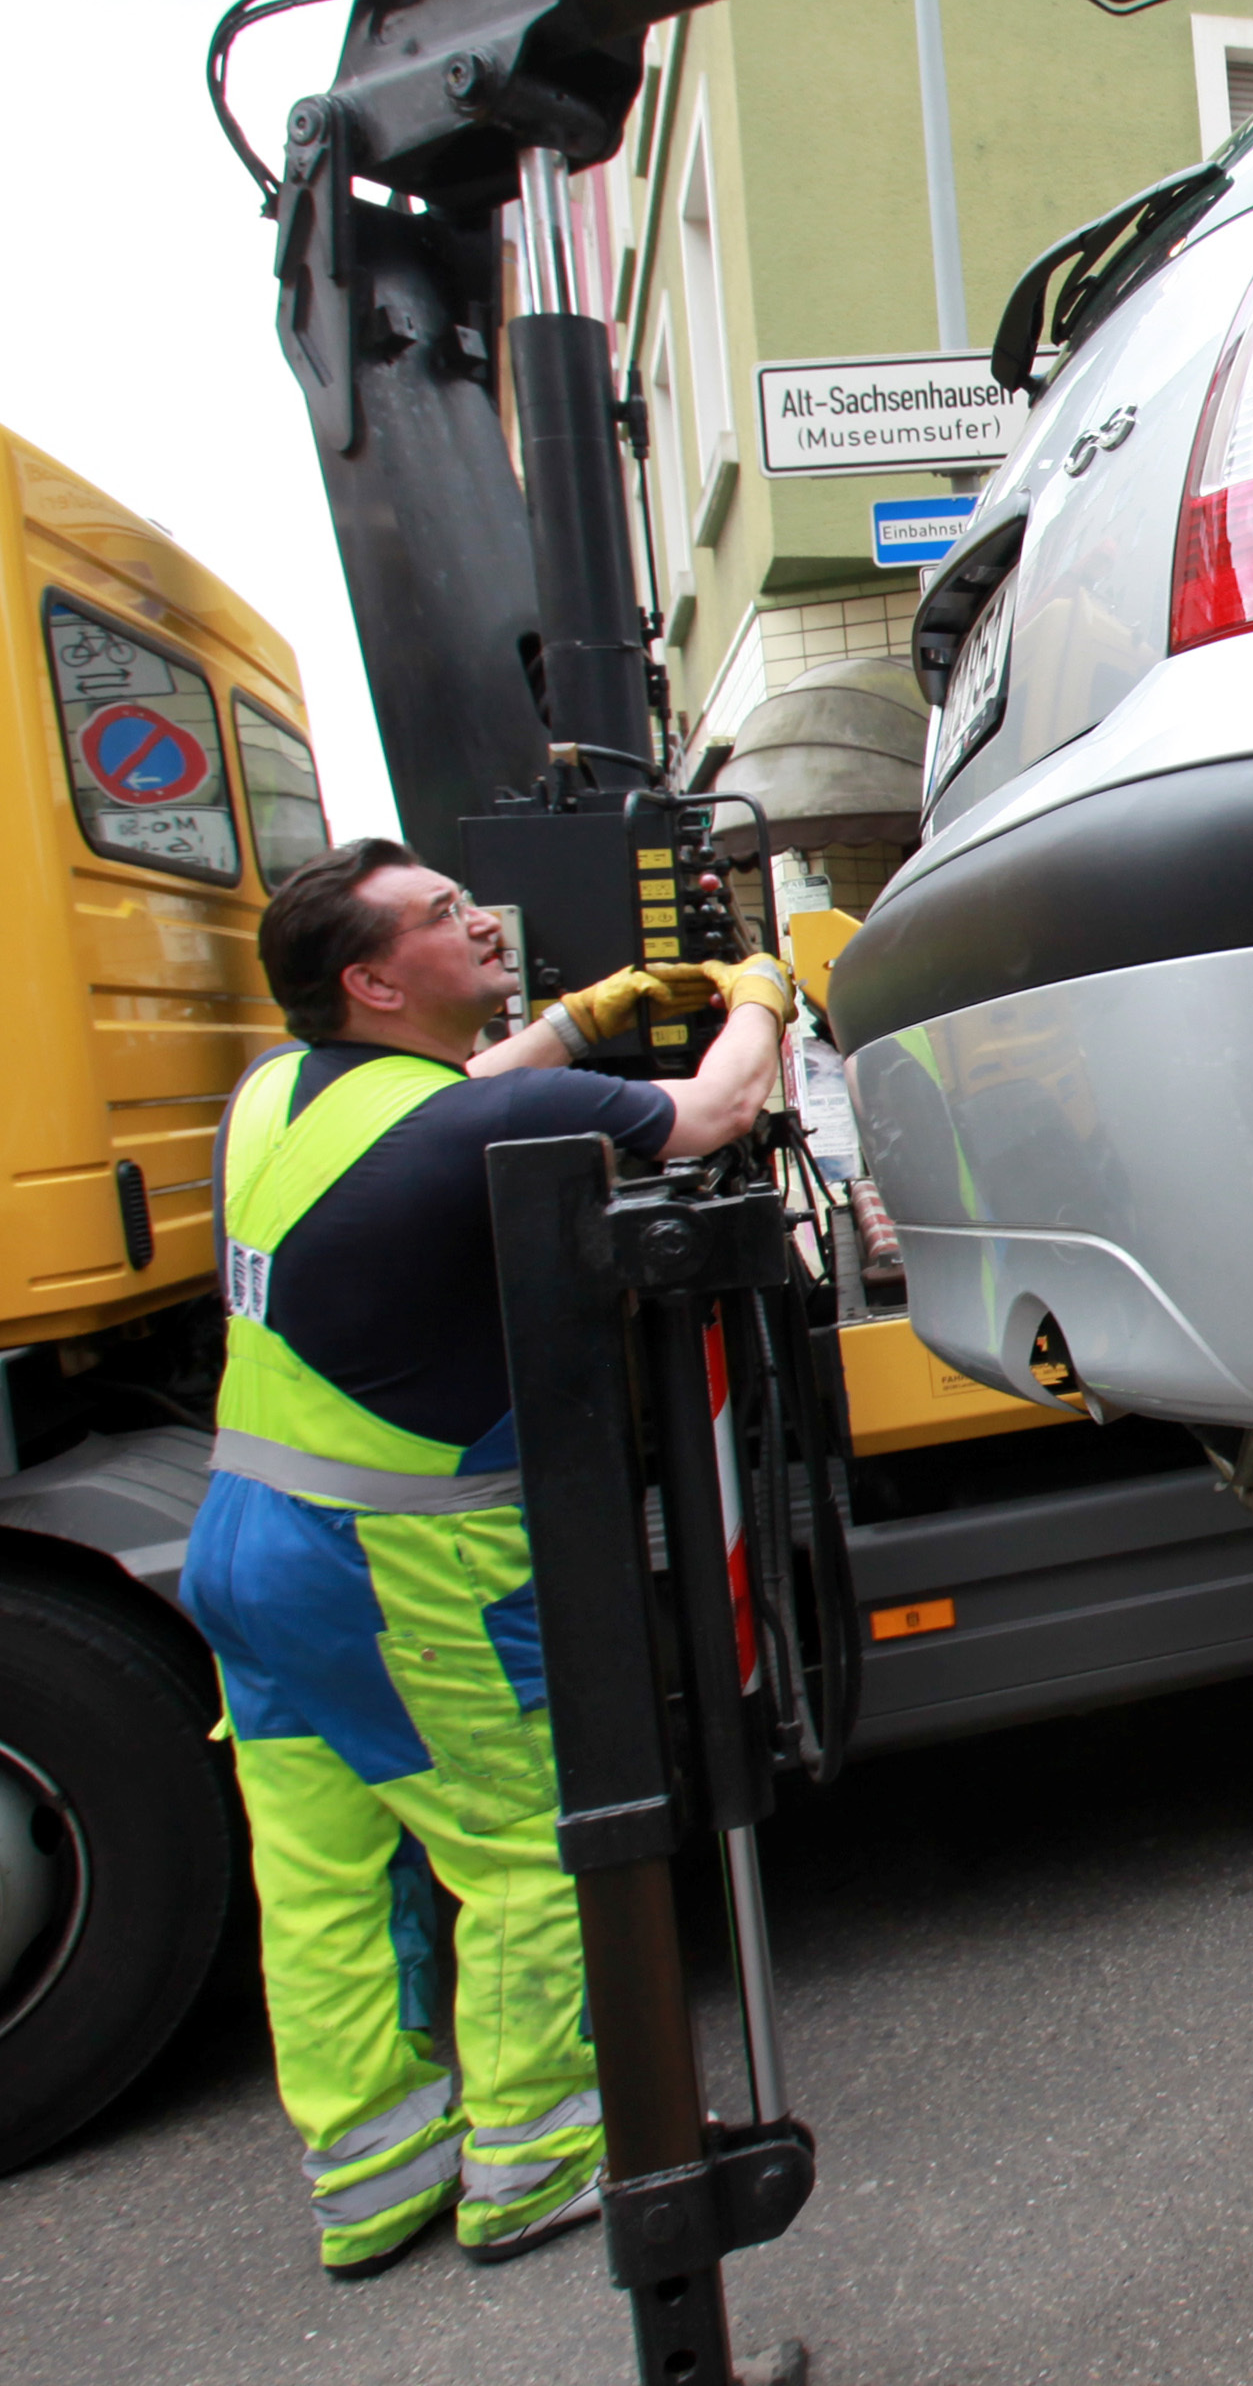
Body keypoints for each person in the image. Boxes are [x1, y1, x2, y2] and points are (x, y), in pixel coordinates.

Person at [182, 837, 789, 2279]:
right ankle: (535, 2158)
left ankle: (371, 2177)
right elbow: (710, 1117)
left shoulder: (277, 1091)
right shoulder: (457, 1130)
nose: (478, 922)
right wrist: (760, 992)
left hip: (244, 1545)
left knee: (322, 1877)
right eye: (444, 918)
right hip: (390, 1567)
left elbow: (449, 1099)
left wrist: (580, 1020)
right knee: (524, 1848)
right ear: (376, 979)